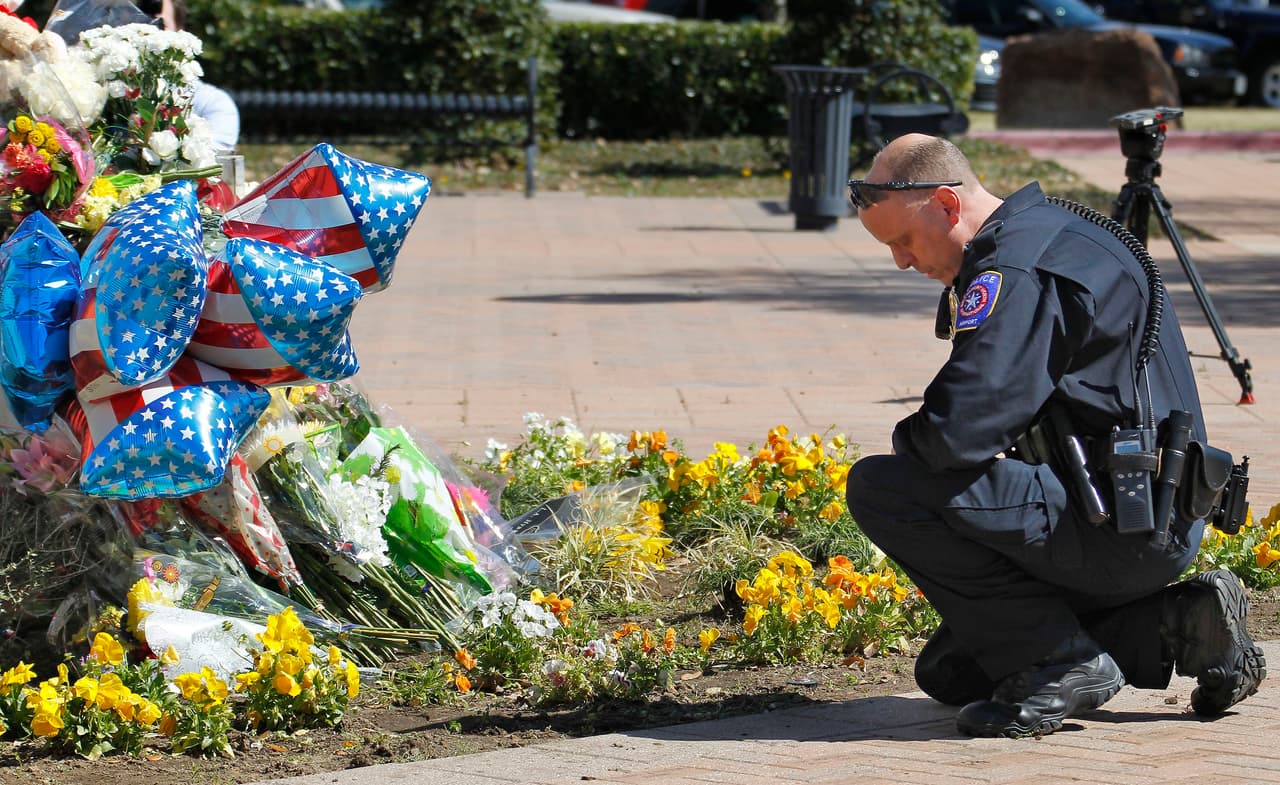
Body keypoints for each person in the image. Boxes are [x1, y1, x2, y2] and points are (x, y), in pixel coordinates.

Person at [844, 133, 1265, 738]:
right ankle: (1181, 622)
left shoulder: (1020, 268)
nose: (902, 262)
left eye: (904, 241)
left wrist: (909, 442)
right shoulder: (1051, 231)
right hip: (1145, 514)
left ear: (945, 204)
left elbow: (956, 432)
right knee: (952, 672)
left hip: (1116, 526)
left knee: (887, 487)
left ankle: (1061, 663)